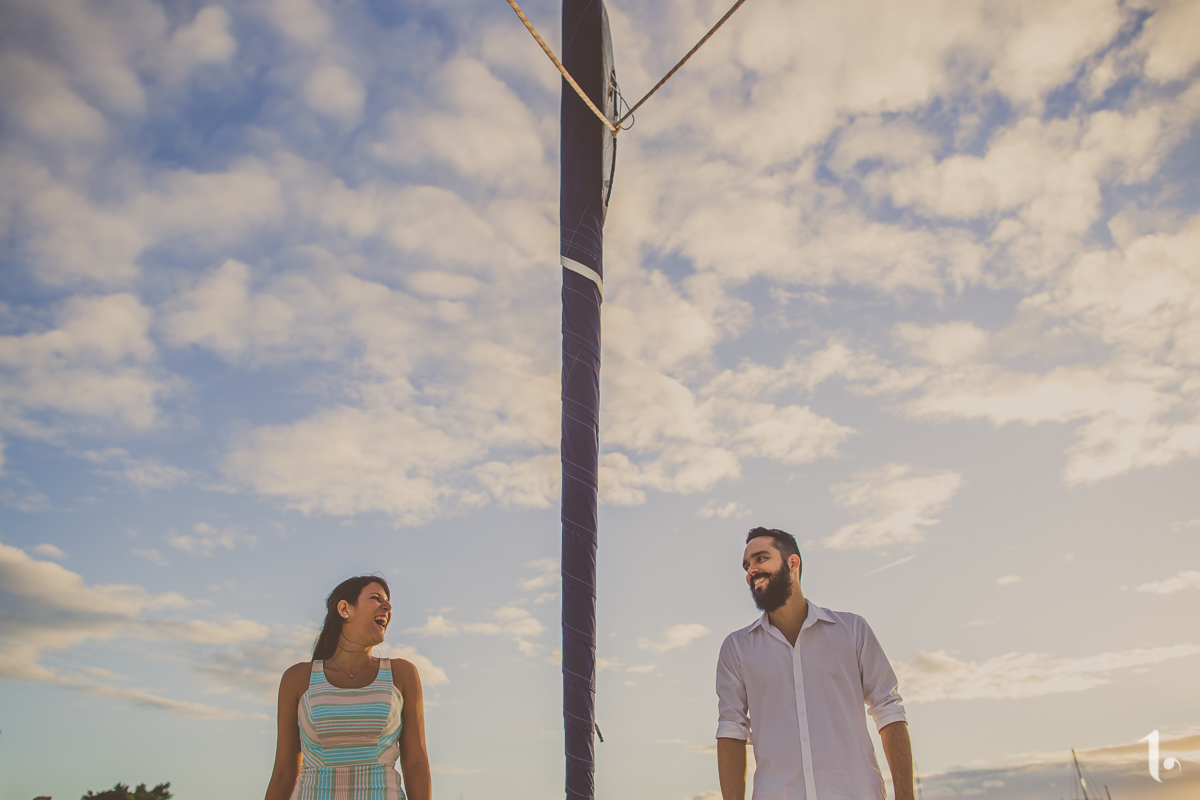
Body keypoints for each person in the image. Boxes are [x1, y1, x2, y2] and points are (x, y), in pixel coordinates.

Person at [715, 527, 913, 800]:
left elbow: (888, 710)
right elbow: (731, 729)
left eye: (761, 558)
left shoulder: (852, 630)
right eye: (747, 565)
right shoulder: (736, 648)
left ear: (792, 563)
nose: (751, 570)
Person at [265, 575, 432, 800]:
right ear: (345, 609)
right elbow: (284, 774)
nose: (388, 606)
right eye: (376, 598)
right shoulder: (297, 679)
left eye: (388, 601)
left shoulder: (402, 674)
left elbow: (416, 763)